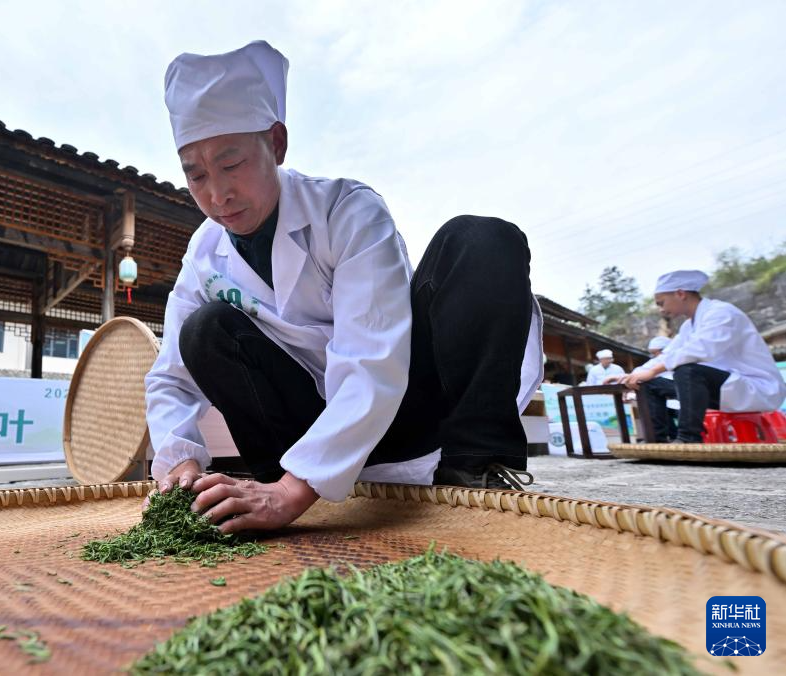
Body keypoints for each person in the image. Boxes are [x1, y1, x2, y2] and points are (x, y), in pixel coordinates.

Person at [144, 41, 543, 533]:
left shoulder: (346, 210)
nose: (217, 194)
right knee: (205, 329)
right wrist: (180, 463)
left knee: (481, 239)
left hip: (409, 412)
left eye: (231, 165)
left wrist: (294, 491)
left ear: (276, 143)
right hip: (299, 437)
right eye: (196, 174)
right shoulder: (204, 253)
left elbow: (371, 356)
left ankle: (476, 464)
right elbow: (171, 377)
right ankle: (272, 486)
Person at [616, 269, 786, 443]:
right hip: (725, 388)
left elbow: (699, 350)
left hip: (756, 389)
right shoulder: (688, 326)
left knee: (687, 370)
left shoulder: (721, 312)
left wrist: (653, 371)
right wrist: (634, 375)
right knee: (649, 383)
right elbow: (668, 354)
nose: (662, 310)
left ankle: (688, 438)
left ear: (680, 294)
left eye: (662, 303)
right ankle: (657, 439)